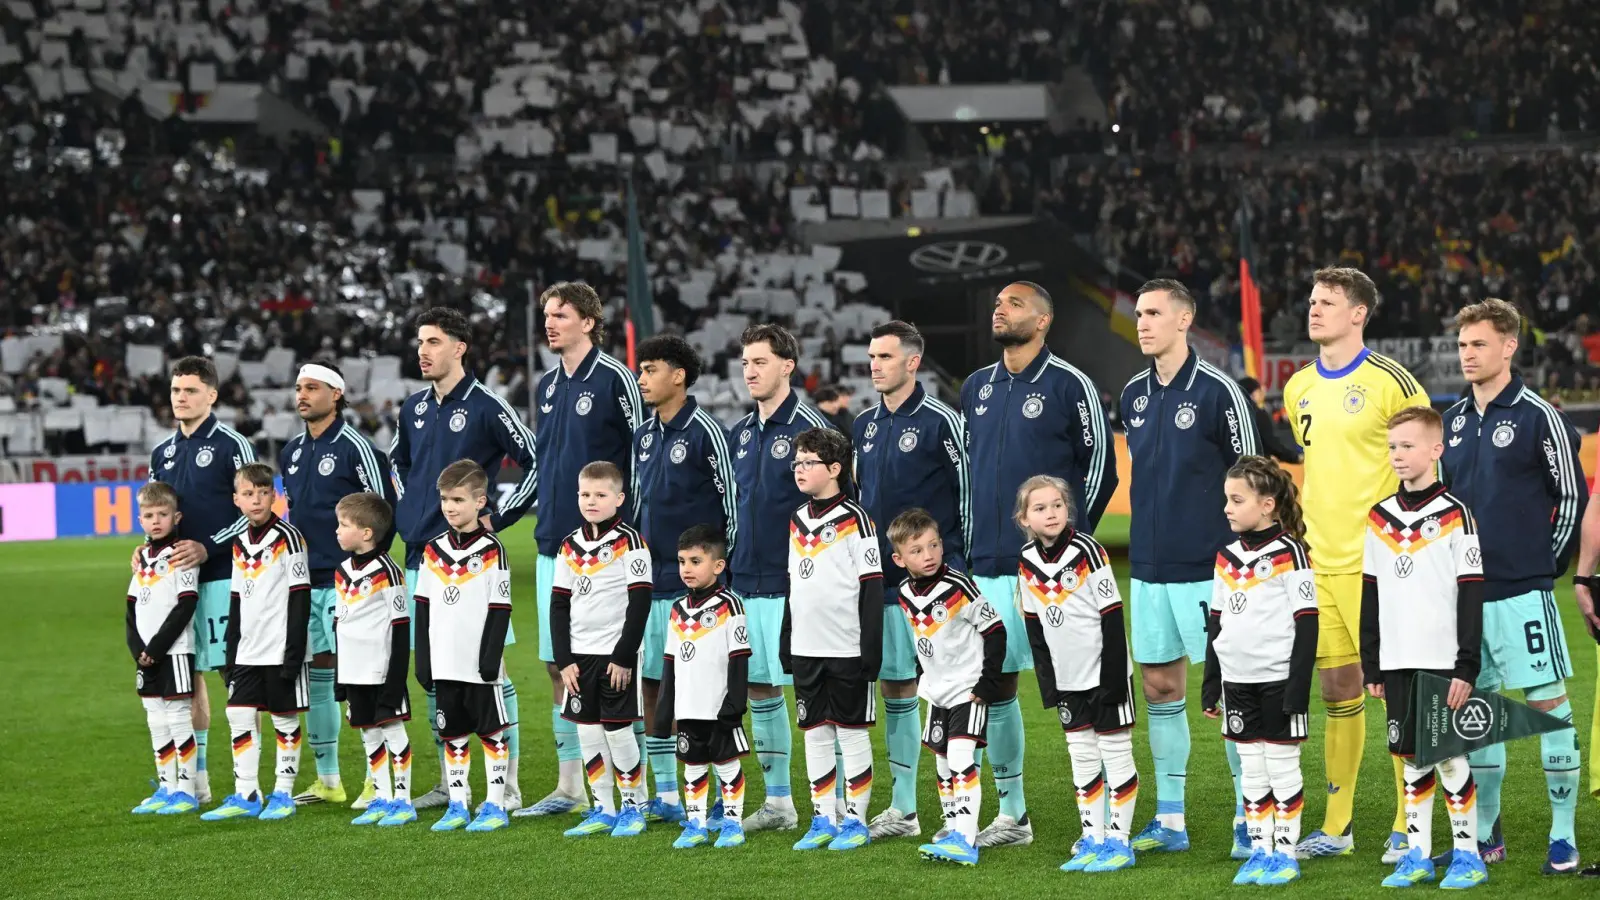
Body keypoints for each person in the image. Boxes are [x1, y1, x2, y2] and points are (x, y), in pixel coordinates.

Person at [960, 280, 1118, 848]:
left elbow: (1101, 465)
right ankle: (1012, 815)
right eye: (998, 304)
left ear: (1044, 319)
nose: (1000, 310)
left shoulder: (1069, 383)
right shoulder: (977, 386)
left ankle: (1102, 822)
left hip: (1055, 573)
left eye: (1015, 303)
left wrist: (1073, 548)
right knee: (994, 686)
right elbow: (966, 476)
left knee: (1077, 689)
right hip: (986, 564)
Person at [1281, 267, 1431, 860]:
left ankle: (1406, 823)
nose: (1314, 310)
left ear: (1358, 313)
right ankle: (1337, 827)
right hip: (1318, 560)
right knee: (1337, 688)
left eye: (1327, 302)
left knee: (1397, 694)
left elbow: (1424, 467)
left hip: (1379, 564)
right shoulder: (1297, 387)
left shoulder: (1393, 382)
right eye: (1311, 300)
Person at [1439, 298, 1588, 873]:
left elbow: (1571, 494)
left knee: (1549, 710)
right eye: (1462, 345)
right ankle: (1485, 831)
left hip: (1523, 593)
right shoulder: (1449, 422)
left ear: (1508, 346)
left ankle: (1562, 835)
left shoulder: (1537, 415)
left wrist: (1542, 565)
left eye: (1478, 344)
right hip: (1464, 600)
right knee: (1479, 717)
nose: (1468, 354)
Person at [1119, 279, 1259, 855]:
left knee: (1231, 690)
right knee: (1158, 684)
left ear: (1184, 320)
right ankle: (1171, 819)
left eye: (1154, 313)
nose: (1143, 323)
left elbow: (1253, 476)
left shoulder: (1220, 392)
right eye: (1139, 313)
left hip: (1210, 567)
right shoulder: (1133, 393)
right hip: (1149, 570)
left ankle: (1249, 815)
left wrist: (1248, 556)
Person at [391, 306, 538, 811]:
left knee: (490, 670)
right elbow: (397, 462)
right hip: (420, 557)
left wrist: (502, 514)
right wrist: (410, 507)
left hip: (474, 561)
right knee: (435, 672)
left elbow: (534, 460)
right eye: (420, 342)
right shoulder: (412, 408)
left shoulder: (487, 406)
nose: (423, 351)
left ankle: (510, 786)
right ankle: (449, 785)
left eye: (433, 341)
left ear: (459, 348)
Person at [523, 281, 644, 818]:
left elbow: (641, 453)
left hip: (609, 548)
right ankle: (570, 786)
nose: (550, 323)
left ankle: (644, 788)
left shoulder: (615, 377)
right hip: (557, 540)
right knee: (559, 665)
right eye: (547, 314)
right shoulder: (547, 384)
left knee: (620, 667)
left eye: (561, 315)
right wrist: (500, 517)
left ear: (589, 322)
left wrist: (631, 531)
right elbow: (543, 464)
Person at [1359, 407, 1488, 889]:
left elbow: (1472, 593)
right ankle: (1417, 854)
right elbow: (1369, 589)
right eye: (1392, 446)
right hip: (1395, 660)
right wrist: (1371, 659)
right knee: (1412, 759)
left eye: (1408, 446)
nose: (1398, 455)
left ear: (1436, 449)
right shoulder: (1378, 517)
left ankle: (1467, 855)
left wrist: (1466, 665)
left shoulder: (1457, 514)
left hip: (1442, 661)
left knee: (1451, 757)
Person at [854, 319, 970, 840]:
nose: (875, 365)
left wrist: (958, 570)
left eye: (884, 356)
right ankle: (904, 808)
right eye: (872, 357)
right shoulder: (863, 425)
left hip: (936, 586)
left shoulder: (943, 420)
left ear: (913, 362)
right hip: (881, 581)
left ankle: (966, 810)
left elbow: (965, 494)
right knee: (896, 684)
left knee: (948, 692)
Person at [728, 323, 833, 832]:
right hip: (746, 581)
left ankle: (831, 808)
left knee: (813, 695)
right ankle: (778, 803)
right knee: (761, 690)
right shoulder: (741, 432)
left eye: (760, 362)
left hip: (797, 585)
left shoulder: (812, 429)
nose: (750, 371)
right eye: (745, 362)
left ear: (787, 366)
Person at [279, 360, 397, 808]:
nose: (302, 395)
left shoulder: (356, 448)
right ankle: (329, 779)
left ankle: (376, 778)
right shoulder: (291, 451)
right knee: (319, 676)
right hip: (304, 581)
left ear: (336, 395)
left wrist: (367, 570)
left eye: (312, 387)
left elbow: (382, 514)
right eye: (298, 388)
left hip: (350, 582)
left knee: (361, 676)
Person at [631, 334, 738, 822]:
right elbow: (638, 505)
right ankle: (670, 795)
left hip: (699, 589)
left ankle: (720, 792)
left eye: (650, 369)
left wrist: (716, 578)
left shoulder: (706, 432)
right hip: (651, 583)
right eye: (641, 370)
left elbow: (731, 512)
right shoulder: (644, 434)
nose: (642, 378)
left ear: (678, 374)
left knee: (708, 691)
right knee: (655, 683)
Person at [146, 355, 258, 804]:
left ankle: (245, 785)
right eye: (176, 391)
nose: (181, 398)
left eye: (190, 390)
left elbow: (255, 510)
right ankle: (196, 782)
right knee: (183, 677)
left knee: (232, 673)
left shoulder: (234, 445)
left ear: (211, 395)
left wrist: (208, 546)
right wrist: (148, 548)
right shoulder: (162, 452)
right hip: (175, 584)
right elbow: (157, 515)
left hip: (225, 577)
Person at [1202, 457, 1318, 886]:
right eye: (1226, 500)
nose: (1228, 508)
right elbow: (1216, 621)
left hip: (1279, 679)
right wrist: (1212, 682)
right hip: (1237, 680)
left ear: (1267, 504)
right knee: (1251, 767)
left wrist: (1298, 688)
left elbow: (1308, 622)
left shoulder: (1292, 552)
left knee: (1282, 765)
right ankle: (1260, 849)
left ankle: (1285, 853)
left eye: (1237, 500)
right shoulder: (1226, 556)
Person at [1016, 475, 1138, 874]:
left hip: (1106, 676)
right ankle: (1093, 836)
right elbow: (1035, 626)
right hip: (1068, 682)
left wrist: (1115, 680)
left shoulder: (1089, 550)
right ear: (1024, 518)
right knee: (1082, 759)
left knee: (1116, 756)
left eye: (1057, 505)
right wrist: (1049, 685)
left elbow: (1113, 616)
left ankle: (1119, 842)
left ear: (1068, 509)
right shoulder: (1026, 561)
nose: (1050, 513)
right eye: (1040, 508)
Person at [781, 427, 884, 853]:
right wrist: (787, 636)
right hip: (807, 647)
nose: (800, 470)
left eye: (809, 463)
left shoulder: (857, 519)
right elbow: (794, 583)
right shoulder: (796, 518)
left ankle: (856, 821)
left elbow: (872, 586)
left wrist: (870, 650)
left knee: (852, 733)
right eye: (797, 463)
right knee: (815, 733)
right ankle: (824, 815)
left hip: (847, 648)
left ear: (836, 469)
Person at [887, 507, 1005, 866]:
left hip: (968, 689)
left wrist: (988, 682)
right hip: (937, 691)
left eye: (934, 545)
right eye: (917, 550)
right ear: (899, 558)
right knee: (941, 761)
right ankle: (953, 826)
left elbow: (995, 630)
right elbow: (922, 638)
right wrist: (921, 673)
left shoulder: (958, 585)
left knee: (958, 757)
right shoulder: (905, 591)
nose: (929, 555)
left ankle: (966, 840)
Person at [201, 463, 312, 822]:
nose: (257, 499)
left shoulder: (289, 537)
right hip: (248, 648)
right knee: (238, 714)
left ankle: (283, 793)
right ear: (236, 500)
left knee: (284, 719)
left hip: (281, 647)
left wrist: (294, 655)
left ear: (274, 496)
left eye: (264, 492)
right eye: (248, 494)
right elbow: (235, 600)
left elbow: (300, 596)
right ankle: (246, 792)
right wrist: (230, 654)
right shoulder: (239, 543)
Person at [551, 461, 653, 839]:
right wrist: (564, 660)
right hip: (579, 656)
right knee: (589, 732)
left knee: (618, 729)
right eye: (585, 494)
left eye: (600, 494)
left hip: (615, 655)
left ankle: (633, 805)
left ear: (619, 498)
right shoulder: (568, 545)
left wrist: (625, 655)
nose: (591, 501)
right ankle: (603, 807)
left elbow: (640, 601)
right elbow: (558, 604)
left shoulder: (632, 542)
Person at [412, 460, 515, 834]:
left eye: (458, 499)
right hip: (444, 663)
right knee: (452, 736)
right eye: (444, 499)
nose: (450, 507)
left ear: (480, 501)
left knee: (491, 734)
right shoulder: (432, 550)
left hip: (479, 666)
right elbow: (422, 606)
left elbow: (500, 607)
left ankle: (495, 804)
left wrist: (490, 659)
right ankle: (457, 804)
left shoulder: (492, 549)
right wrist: (423, 659)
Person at [653, 525, 753, 850]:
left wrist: (735, 705)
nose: (687, 569)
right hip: (688, 707)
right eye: (682, 561)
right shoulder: (677, 609)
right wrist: (665, 709)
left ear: (718, 565)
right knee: (693, 766)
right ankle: (695, 824)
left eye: (696, 561)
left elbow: (739, 660)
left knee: (726, 765)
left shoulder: (731, 606)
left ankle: (732, 825)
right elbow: (670, 662)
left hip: (719, 707)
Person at [330, 492, 414, 827]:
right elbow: (340, 623)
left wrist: (395, 680)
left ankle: (403, 800)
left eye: (344, 525)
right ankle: (380, 797)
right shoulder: (342, 570)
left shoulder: (389, 572)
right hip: (353, 671)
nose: (336, 530)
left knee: (392, 731)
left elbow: (401, 626)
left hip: (381, 671)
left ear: (366, 532)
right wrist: (339, 676)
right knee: (368, 733)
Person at [126, 481, 201, 816]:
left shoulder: (181, 554)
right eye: (149, 515)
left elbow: (186, 605)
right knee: (155, 719)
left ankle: (186, 789)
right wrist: (137, 649)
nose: (156, 520)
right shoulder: (142, 557)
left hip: (174, 651)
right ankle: (167, 786)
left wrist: (155, 648)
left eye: (162, 514)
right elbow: (131, 608)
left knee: (178, 716)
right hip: (147, 655)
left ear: (176, 516)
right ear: (140, 520)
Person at [1237, 377, 1303, 464]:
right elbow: (1271, 443)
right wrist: (1294, 457)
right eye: (1260, 390)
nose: (1263, 392)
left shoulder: (1232, 413)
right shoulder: (1257, 414)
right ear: (1254, 394)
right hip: (1254, 465)